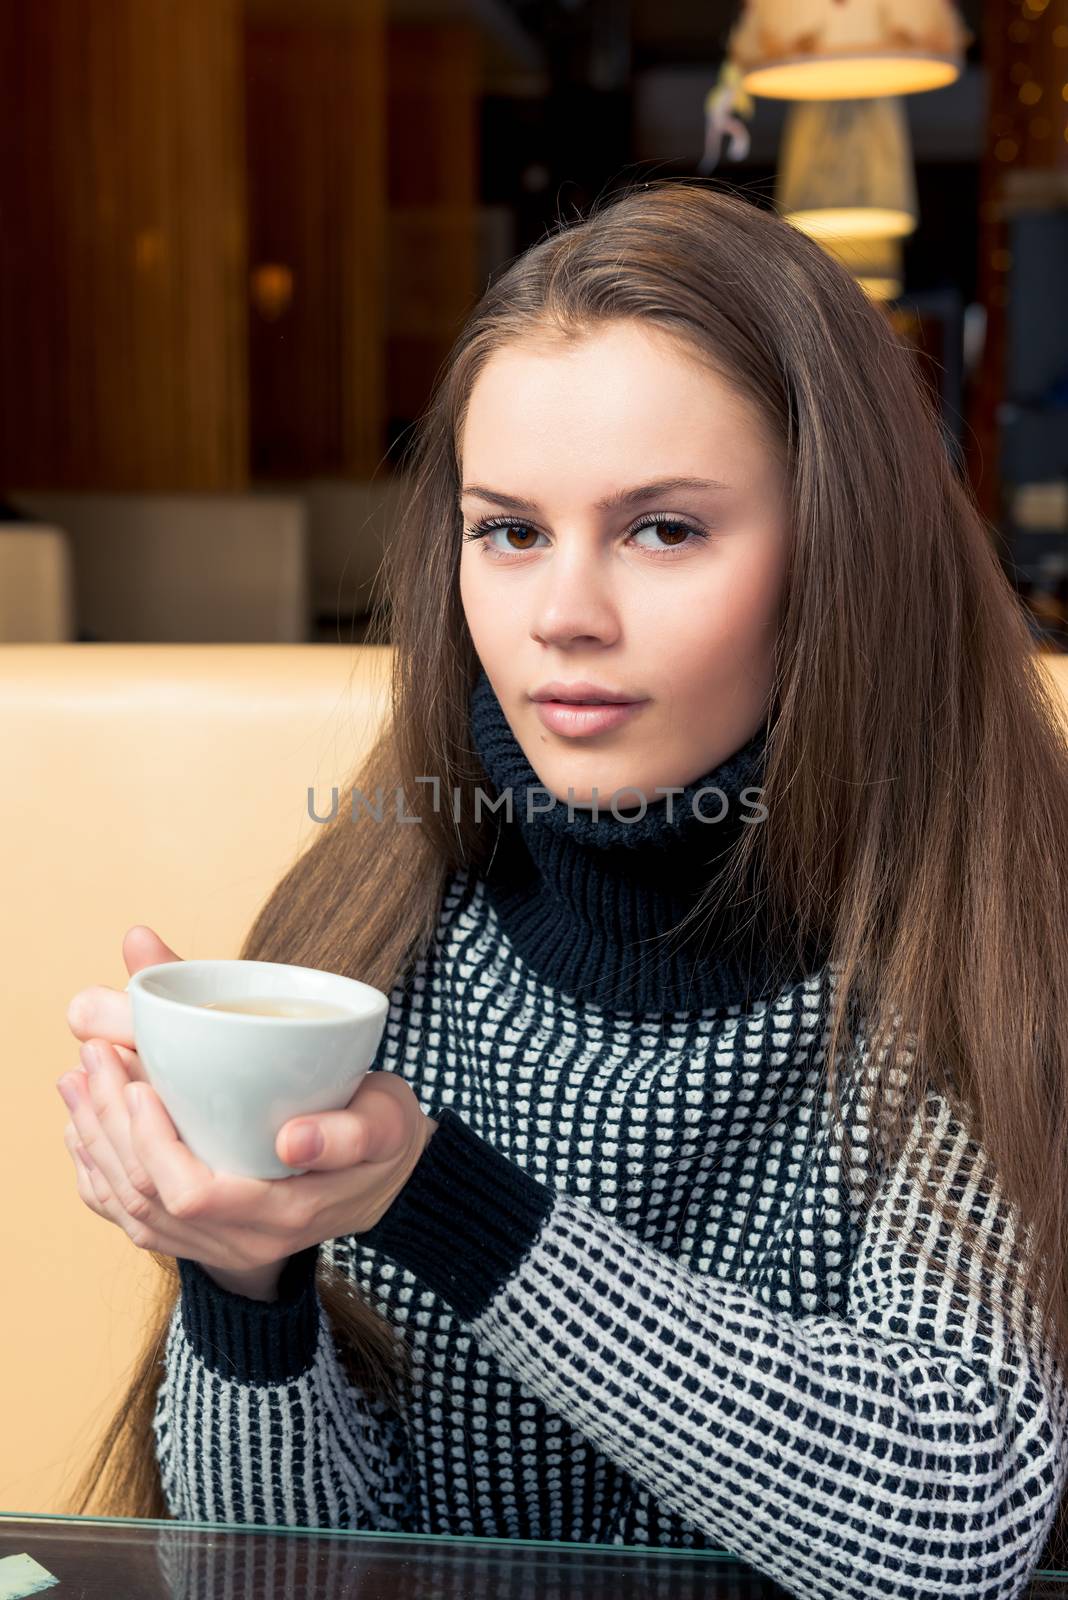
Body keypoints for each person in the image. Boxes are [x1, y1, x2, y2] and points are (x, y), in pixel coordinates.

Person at [57, 180, 1068, 1597]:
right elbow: (272, 1580)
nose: (561, 617)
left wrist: (435, 1193)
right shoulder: (372, 937)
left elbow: (948, 1525)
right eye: (509, 532)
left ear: (840, 556)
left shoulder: (975, 942)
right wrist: (244, 1288)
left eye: (664, 530)